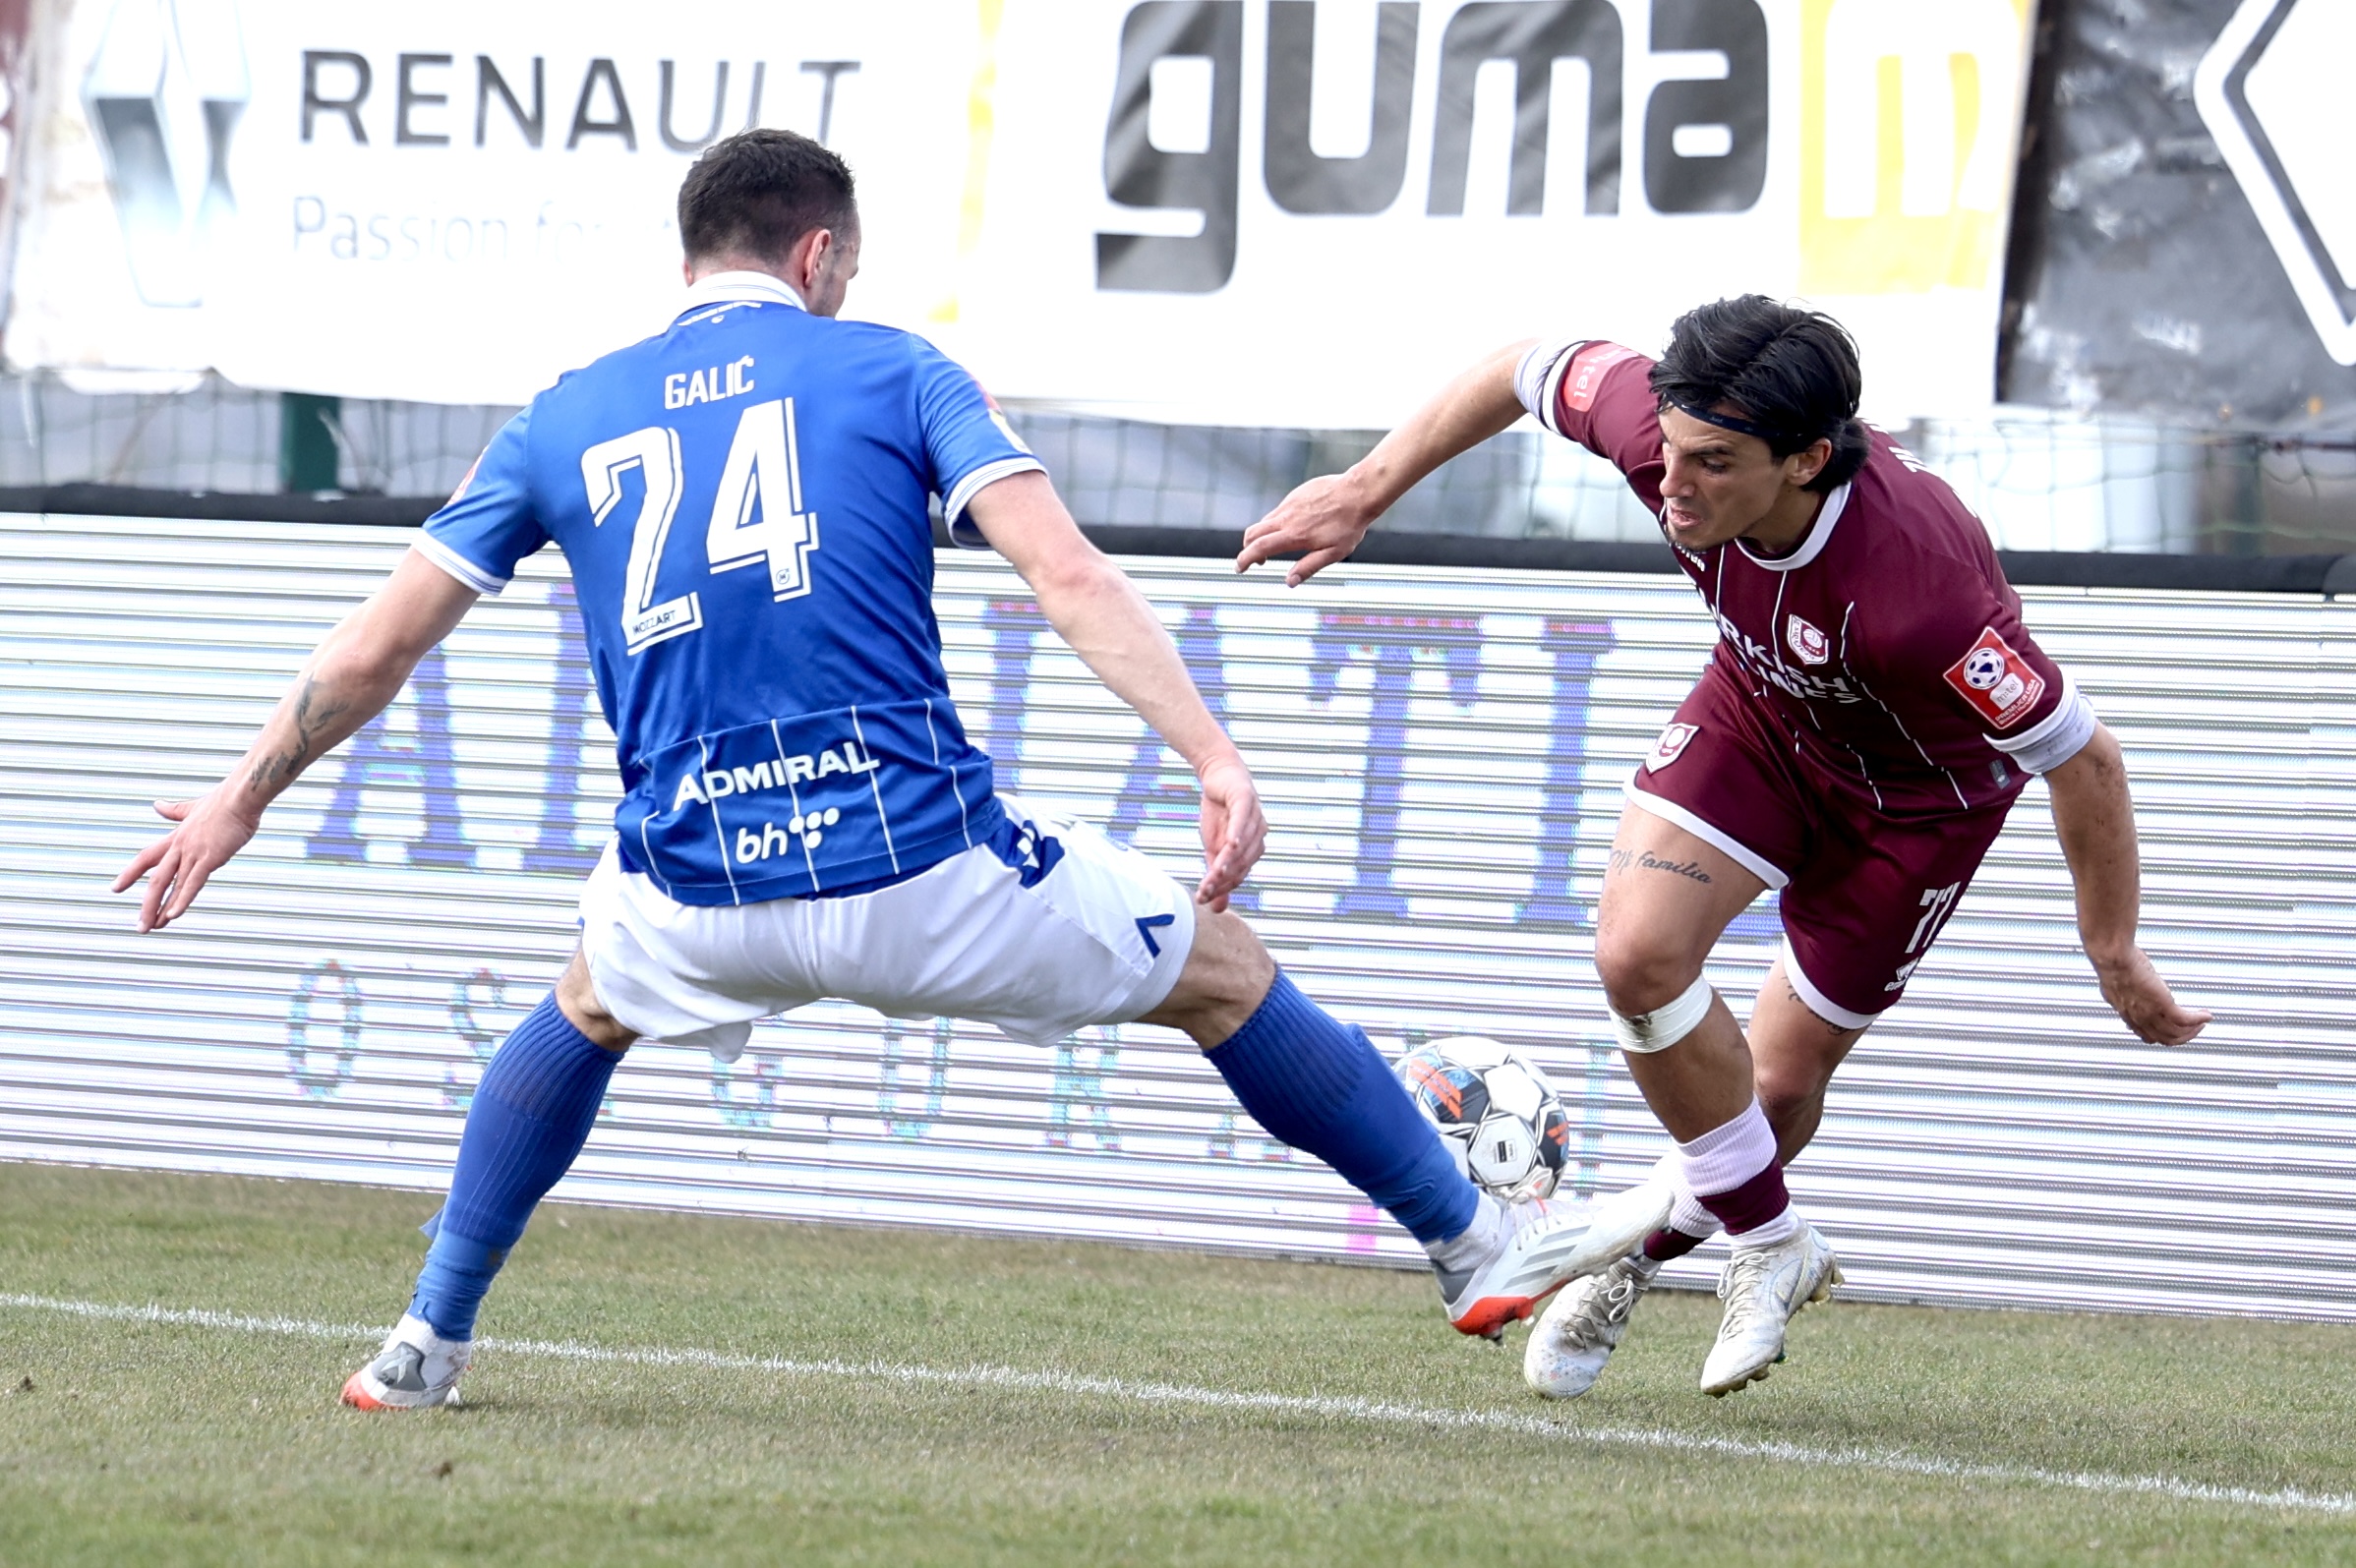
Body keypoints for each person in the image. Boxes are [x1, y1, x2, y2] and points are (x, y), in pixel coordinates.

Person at [112, 131, 1663, 1411]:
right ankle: (1475, 1241)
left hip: (695, 886)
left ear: (687, 265)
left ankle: (426, 1340)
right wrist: (1209, 750)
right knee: (1227, 973)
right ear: (818, 258)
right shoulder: (891, 367)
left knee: (584, 1001)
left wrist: (243, 796)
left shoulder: (559, 418)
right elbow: (1063, 575)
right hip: (918, 868)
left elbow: (376, 651)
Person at [1239, 297, 2209, 1399]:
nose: (1670, 485)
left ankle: (1632, 1258)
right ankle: (1771, 1239)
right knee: (1634, 957)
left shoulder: (1921, 596)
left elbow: (2082, 758)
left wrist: (2111, 950)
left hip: (1913, 809)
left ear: (1802, 460)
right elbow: (1520, 365)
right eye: (1669, 449)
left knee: (1774, 1090)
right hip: (1760, 720)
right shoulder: (1664, 432)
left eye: (1710, 463)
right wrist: (1363, 489)